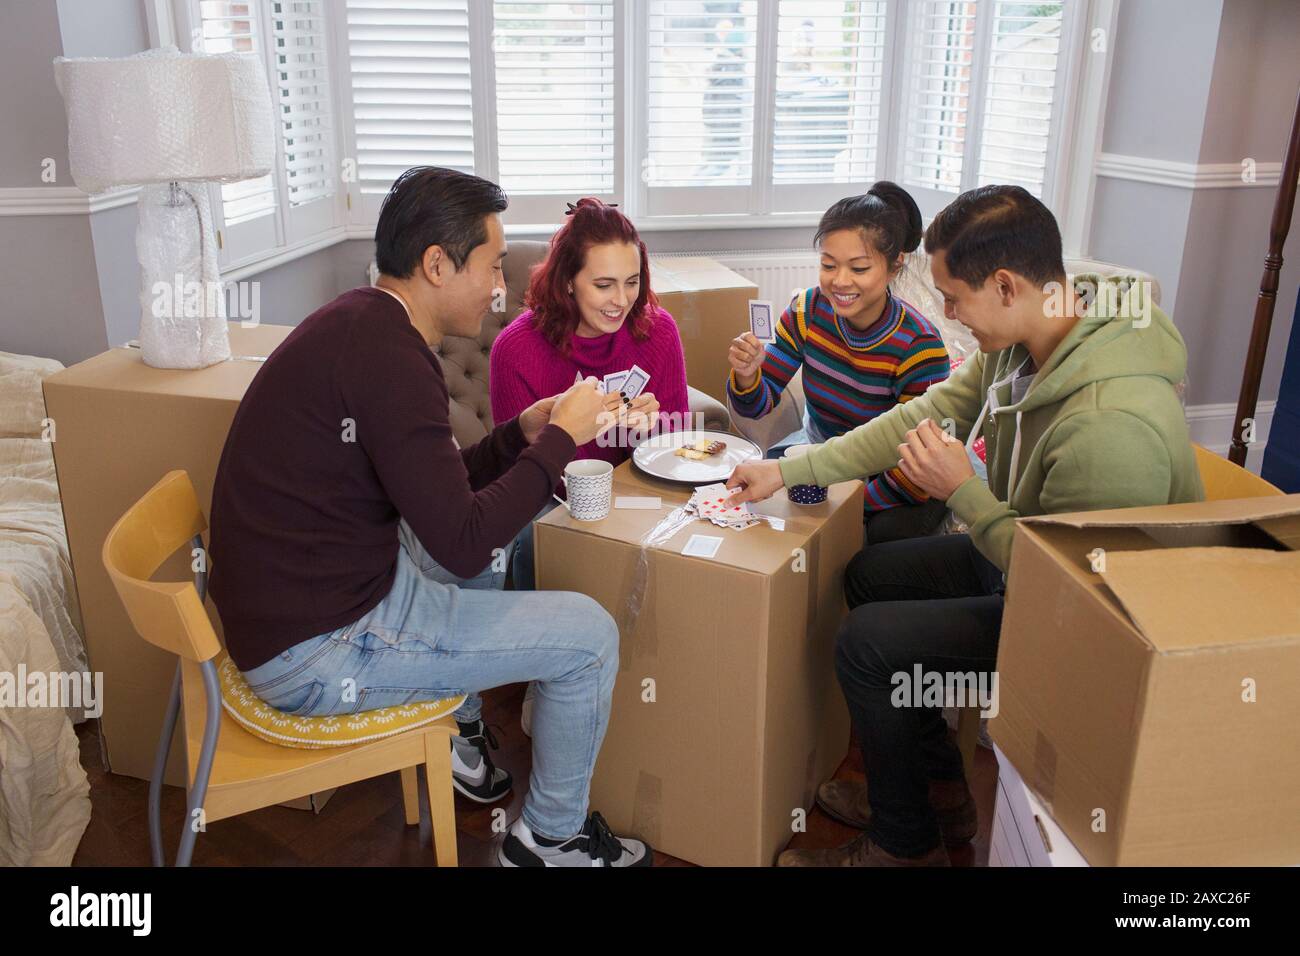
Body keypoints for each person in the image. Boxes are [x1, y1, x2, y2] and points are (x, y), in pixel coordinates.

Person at [726, 184, 1204, 866]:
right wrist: (791, 468)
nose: (946, 313)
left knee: (866, 645)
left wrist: (967, 494)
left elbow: (1077, 592)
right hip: (1022, 557)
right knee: (867, 576)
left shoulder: (1108, 429)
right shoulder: (1034, 329)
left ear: (1007, 285)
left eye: (954, 298)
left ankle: (903, 845)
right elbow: (913, 419)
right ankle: (938, 790)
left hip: (1094, 627)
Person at [208, 166, 652, 867]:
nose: (501, 287)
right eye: (493, 265)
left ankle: (466, 745)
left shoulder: (362, 325)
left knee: (497, 540)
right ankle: (550, 840)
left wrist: (519, 437)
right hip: (317, 651)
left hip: (309, 602)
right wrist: (563, 439)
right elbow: (465, 539)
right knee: (589, 638)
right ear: (437, 264)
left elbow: (443, 498)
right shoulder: (389, 358)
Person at [727, 183, 951, 545]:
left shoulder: (918, 346)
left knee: (878, 536)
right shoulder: (807, 311)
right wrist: (747, 374)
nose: (840, 281)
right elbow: (757, 405)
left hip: (894, 477)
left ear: (895, 267)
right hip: (823, 456)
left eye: (859, 268)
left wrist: (847, 502)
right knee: (761, 478)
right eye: (828, 265)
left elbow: (916, 468)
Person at [491, 197, 690, 591]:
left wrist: (649, 433)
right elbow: (518, 479)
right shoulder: (515, 349)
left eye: (632, 282)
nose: (621, 300)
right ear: (568, 281)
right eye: (604, 285)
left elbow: (676, 451)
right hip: (555, 503)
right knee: (535, 541)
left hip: (637, 493)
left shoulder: (659, 331)